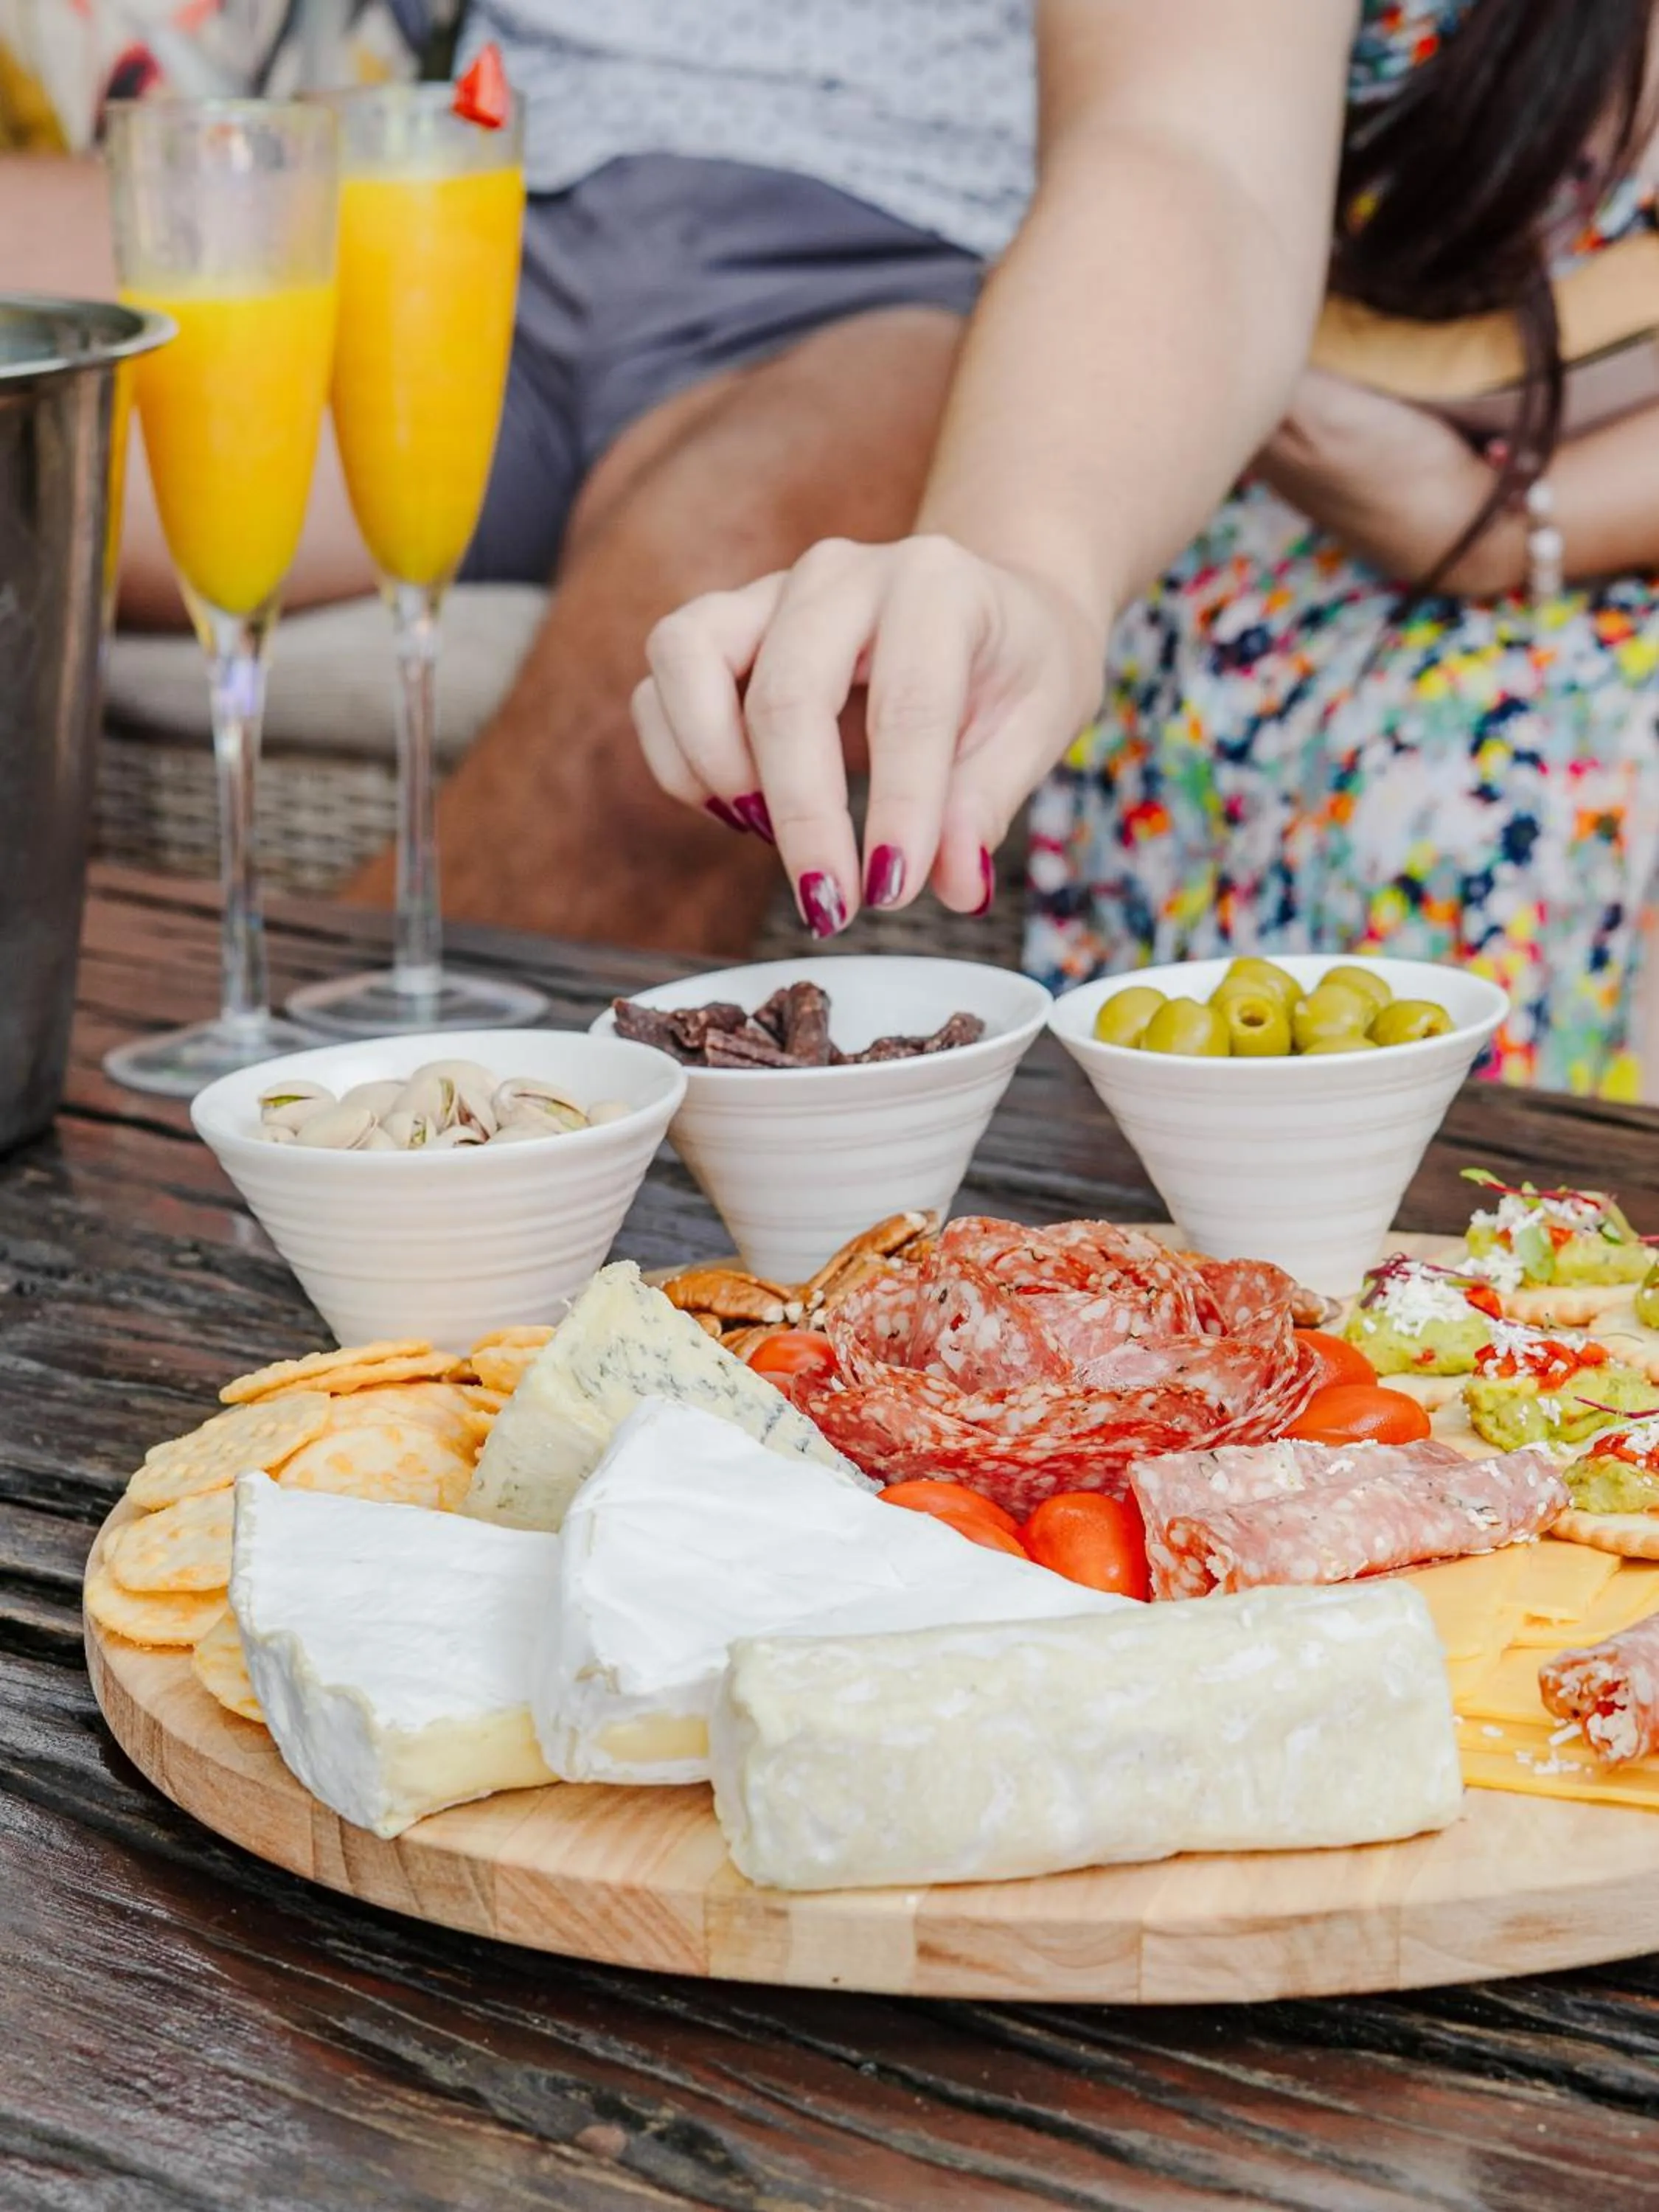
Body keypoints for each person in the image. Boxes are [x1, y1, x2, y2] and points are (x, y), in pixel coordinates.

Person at [637, 0, 1659, 1093]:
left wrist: (1516, 526)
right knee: (1442, 788)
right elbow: (1186, 153)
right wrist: (1030, 566)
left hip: (1529, 515)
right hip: (1326, 538)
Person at [0, 0, 1025, 958]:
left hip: (875, 248)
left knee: (706, 662)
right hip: (473, 179)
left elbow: (1124, 132)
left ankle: (328, 1079)